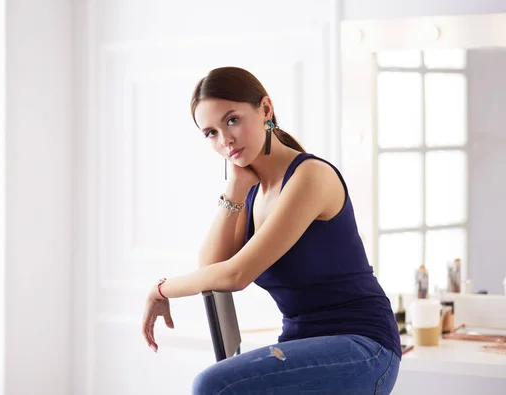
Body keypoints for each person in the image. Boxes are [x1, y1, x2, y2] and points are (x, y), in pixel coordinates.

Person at [141, 67, 401, 394]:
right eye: (211, 133)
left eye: (232, 120)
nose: (226, 140)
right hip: (303, 342)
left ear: (265, 109)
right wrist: (234, 190)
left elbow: (235, 275)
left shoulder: (309, 177)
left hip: (363, 346)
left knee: (214, 384)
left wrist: (160, 289)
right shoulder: (252, 193)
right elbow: (210, 270)